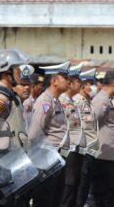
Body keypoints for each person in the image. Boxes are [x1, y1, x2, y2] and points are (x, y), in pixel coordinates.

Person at [0, 49, 39, 205]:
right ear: (6, 72)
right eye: (17, 69)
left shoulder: (9, 97)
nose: (21, 73)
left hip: (10, 162)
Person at [28, 61, 71, 207]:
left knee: (55, 199)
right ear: (54, 81)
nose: (68, 82)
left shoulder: (55, 101)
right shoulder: (45, 102)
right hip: (47, 159)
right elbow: (34, 134)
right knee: (45, 200)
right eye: (65, 78)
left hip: (57, 159)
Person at [90, 70, 114, 207]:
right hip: (103, 156)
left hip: (109, 156)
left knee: (109, 192)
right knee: (102, 194)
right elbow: (91, 124)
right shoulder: (101, 100)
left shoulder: (106, 100)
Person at [58, 63, 84, 207]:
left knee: (73, 185)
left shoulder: (72, 101)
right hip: (67, 150)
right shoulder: (62, 100)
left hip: (76, 149)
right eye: (78, 81)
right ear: (70, 83)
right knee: (67, 186)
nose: (81, 84)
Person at [73, 68, 99, 207]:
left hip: (90, 150)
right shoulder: (77, 101)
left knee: (85, 186)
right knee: (80, 186)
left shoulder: (88, 102)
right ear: (83, 86)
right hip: (83, 150)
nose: (92, 86)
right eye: (89, 83)